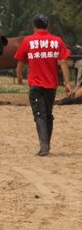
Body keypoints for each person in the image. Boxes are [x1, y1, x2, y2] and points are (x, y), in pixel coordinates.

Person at [14, 13, 72, 156]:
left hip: (35, 85)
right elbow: (63, 62)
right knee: (48, 113)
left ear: (34, 26)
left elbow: (20, 62)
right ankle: (47, 145)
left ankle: (44, 147)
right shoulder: (57, 41)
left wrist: (19, 77)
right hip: (51, 85)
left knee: (40, 114)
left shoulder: (28, 41)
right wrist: (67, 83)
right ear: (48, 26)